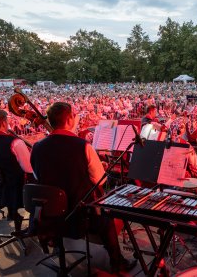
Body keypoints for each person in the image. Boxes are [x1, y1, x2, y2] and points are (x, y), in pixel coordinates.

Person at [30, 102, 136, 274]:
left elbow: (39, 178)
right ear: (70, 118)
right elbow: (99, 181)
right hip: (78, 216)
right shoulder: (83, 146)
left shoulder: (37, 147)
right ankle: (118, 262)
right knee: (107, 218)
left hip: (50, 214)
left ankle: (58, 244)